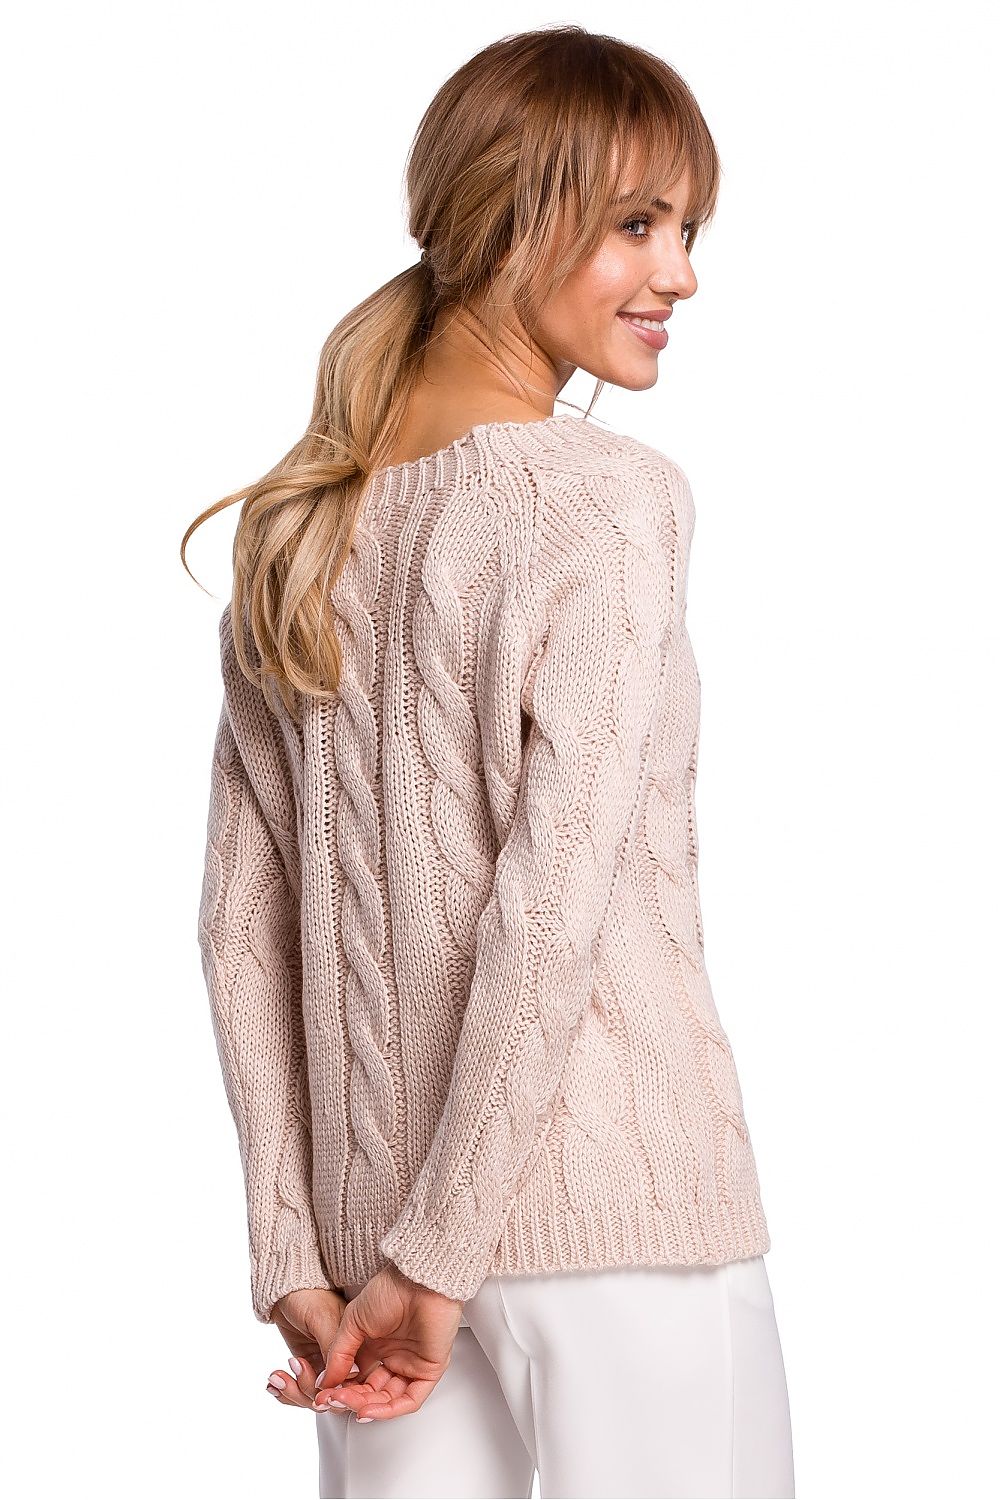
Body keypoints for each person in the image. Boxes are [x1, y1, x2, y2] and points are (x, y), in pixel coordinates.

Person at [184, 23, 795, 1500]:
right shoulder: (605, 501)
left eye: (690, 230)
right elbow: (551, 908)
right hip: (612, 1225)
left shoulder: (299, 527)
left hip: (372, 1273)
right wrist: (441, 1256)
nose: (682, 274)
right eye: (639, 224)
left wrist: (300, 1250)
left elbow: (242, 928)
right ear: (514, 217)